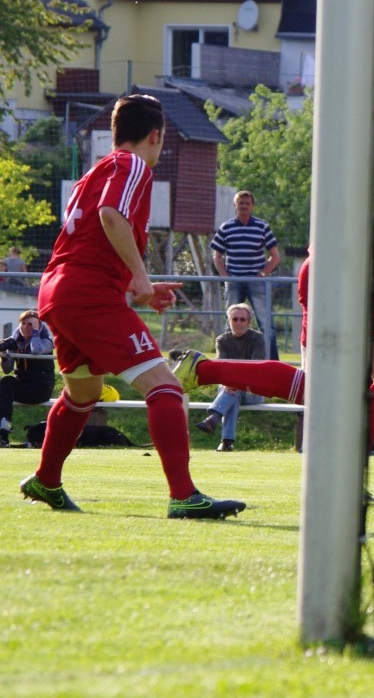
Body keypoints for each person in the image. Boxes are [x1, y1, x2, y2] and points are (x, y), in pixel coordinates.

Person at [175, 66, 374, 462]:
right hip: (342, 278)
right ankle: (344, 466)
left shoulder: (365, 136)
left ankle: (205, 372)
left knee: (370, 384)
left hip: (325, 269)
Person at [22, 94, 245, 518]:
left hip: (58, 291)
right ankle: (183, 496)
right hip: (87, 294)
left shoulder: (99, 169)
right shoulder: (133, 165)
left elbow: (92, 239)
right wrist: (140, 278)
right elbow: (111, 216)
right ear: (156, 136)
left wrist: (132, 283)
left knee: (83, 393)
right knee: (165, 387)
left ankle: (46, 481)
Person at [210, 190, 282, 359]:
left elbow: (275, 256)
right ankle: (229, 362)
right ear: (235, 205)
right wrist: (225, 277)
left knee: (265, 324)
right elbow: (217, 256)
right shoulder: (226, 227)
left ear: (252, 206)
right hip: (234, 280)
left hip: (256, 281)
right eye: (240, 203)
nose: (244, 206)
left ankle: (272, 363)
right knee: (231, 322)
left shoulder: (262, 226)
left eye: (247, 203)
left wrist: (263, 273)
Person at [193, 303, 267, 452]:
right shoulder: (222, 340)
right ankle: (226, 442)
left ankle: (214, 419)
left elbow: (255, 369)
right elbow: (221, 367)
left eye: (242, 319)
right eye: (235, 319)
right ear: (229, 321)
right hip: (230, 388)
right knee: (233, 393)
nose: (238, 323)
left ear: (249, 322)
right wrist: (231, 382)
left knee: (232, 390)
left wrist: (233, 381)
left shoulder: (257, 338)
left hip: (254, 390)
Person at [0, 310, 55, 447]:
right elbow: (8, 369)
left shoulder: (46, 342)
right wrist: (4, 356)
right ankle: (3, 427)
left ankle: (3, 431)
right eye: (23, 323)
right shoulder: (15, 342)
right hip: (22, 386)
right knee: (6, 381)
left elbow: (36, 350)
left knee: (5, 388)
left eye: (30, 324)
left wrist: (35, 332)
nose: (25, 327)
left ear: (37, 326)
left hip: (40, 389)